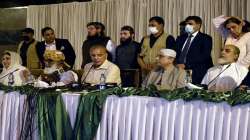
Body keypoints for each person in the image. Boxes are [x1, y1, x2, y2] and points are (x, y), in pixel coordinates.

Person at [213, 15, 250, 86]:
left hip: (243, 72)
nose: (231, 30)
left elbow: (249, 56)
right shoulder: (229, 36)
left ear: (241, 25)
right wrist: (231, 18)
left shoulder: (248, 35)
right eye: (229, 28)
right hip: (227, 71)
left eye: (234, 27)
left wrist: (238, 68)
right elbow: (216, 21)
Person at [175, 16, 213, 85]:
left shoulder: (205, 38)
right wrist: (177, 64)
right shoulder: (180, 38)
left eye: (190, 24)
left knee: (191, 90)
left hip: (196, 71)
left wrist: (186, 65)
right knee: (181, 89)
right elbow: (176, 53)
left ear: (198, 25)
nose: (187, 26)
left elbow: (205, 56)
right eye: (186, 24)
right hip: (179, 70)